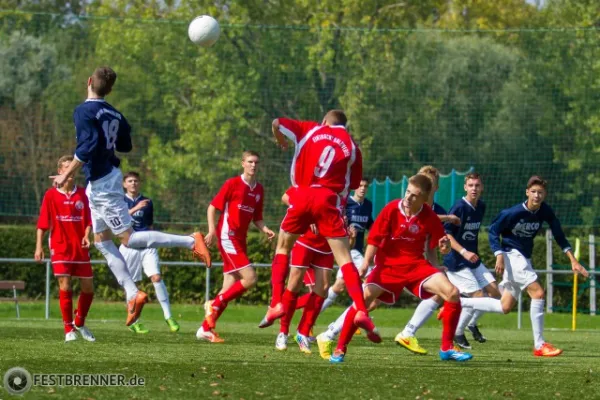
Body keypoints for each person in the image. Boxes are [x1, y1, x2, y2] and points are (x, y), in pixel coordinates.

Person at [50, 66, 211, 326]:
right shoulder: (115, 113)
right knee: (102, 240)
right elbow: (125, 145)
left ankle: (191, 241)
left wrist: (66, 173)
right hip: (101, 182)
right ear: (110, 89)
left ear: (89, 81)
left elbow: (87, 146)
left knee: (129, 238)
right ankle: (133, 293)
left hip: (104, 183)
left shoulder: (83, 110)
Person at [320, 174, 472, 363]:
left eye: (414, 195)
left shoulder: (429, 216)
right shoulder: (392, 209)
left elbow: (440, 244)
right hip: (387, 267)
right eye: (407, 192)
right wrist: (366, 263)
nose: (408, 198)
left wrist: (445, 247)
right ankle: (340, 347)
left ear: (424, 199)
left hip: (416, 266)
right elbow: (374, 239)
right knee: (364, 299)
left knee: (452, 293)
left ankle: (447, 348)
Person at [259, 110, 379, 341]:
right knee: (344, 260)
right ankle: (361, 311)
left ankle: (275, 304)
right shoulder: (353, 147)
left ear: (325, 122)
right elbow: (353, 183)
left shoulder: (310, 128)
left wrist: (280, 138)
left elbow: (276, 121)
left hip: (303, 195)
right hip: (328, 201)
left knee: (283, 248)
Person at [459, 176, 588, 357]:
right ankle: (539, 344)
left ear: (545, 195)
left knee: (504, 306)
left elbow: (559, 234)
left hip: (523, 259)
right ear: (527, 192)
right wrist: (499, 255)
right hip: (512, 256)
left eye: (540, 192)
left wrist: (573, 260)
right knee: (538, 293)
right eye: (533, 191)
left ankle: (458, 302)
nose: (537, 195)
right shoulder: (512, 213)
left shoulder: (545, 211)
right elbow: (493, 231)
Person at [395, 172, 500, 353]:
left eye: (432, 183)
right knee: (369, 298)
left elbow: (440, 236)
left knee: (490, 293)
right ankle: (333, 334)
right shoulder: (409, 205)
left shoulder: (439, 208)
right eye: (471, 185)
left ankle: (415, 332)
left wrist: (442, 247)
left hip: (436, 258)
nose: (474, 189)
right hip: (406, 259)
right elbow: (437, 228)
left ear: (435, 187)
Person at [198, 151, 275, 342]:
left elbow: (257, 217)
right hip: (227, 237)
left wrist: (265, 229)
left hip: (240, 240)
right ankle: (213, 304)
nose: (253, 165)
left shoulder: (259, 190)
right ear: (242, 163)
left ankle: (205, 329)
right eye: (249, 162)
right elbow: (212, 207)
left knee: (228, 287)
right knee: (250, 278)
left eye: (256, 162)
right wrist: (211, 231)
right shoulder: (232, 183)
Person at [35, 155, 95, 342]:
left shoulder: (84, 194)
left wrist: (87, 235)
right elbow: (43, 223)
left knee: (88, 289)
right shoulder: (51, 195)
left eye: (73, 167)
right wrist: (39, 246)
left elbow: (88, 220)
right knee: (65, 286)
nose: (70, 171)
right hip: (60, 247)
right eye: (66, 167)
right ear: (60, 172)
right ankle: (68, 328)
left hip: (80, 247)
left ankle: (79, 321)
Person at [119, 171, 180, 334]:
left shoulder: (147, 202)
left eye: (136, 181)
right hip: (128, 248)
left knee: (156, 277)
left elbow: (150, 225)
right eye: (130, 181)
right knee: (131, 286)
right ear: (124, 184)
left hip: (147, 247)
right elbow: (118, 220)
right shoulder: (119, 201)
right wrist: (135, 209)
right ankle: (134, 321)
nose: (133, 183)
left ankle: (168, 316)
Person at [276, 188, 332, 353]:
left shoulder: (341, 188)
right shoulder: (310, 181)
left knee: (323, 289)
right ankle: (283, 332)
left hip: (327, 242)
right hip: (305, 240)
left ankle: (303, 333)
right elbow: (285, 197)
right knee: (294, 284)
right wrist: (309, 213)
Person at [320, 179, 373, 312]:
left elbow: (370, 225)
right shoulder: (346, 204)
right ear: (355, 187)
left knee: (339, 286)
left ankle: (313, 312)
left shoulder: (368, 205)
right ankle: (356, 316)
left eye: (365, 186)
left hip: (356, 250)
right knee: (371, 281)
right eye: (360, 185)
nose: (363, 188)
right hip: (348, 249)